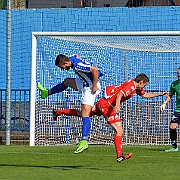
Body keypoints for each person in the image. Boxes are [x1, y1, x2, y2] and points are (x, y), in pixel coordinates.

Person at [53, 73, 168, 162]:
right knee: (119, 130)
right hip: (108, 105)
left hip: (103, 102)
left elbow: (145, 95)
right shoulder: (131, 86)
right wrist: (117, 105)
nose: (144, 87)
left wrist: (160, 93)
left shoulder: (134, 85)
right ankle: (119, 155)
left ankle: (58, 111)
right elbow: (120, 94)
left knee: (83, 114)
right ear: (141, 82)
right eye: (145, 85)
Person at [38, 54, 103, 154]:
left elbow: (95, 70)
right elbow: (75, 55)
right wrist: (78, 57)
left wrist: (94, 85)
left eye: (62, 67)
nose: (63, 69)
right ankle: (46, 93)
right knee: (67, 81)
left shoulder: (77, 65)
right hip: (84, 83)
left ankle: (84, 141)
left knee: (85, 114)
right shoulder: (72, 59)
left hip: (90, 87)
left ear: (66, 63)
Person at [161, 67, 180, 152]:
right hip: (178, 110)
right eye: (178, 73)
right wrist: (164, 103)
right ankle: (174, 147)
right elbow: (170, 95)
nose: (179, 75)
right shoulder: (174, 84)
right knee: (172, 126)